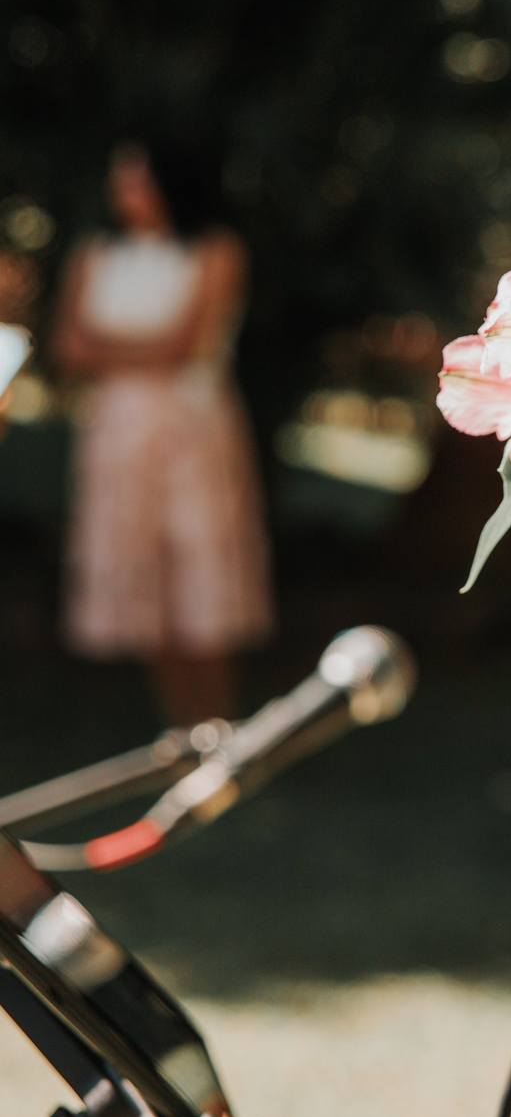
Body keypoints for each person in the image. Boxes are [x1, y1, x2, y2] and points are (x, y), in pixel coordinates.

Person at [53, 137, 273, 726]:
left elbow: (183, 347)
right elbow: (67, 347)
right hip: (117, 432)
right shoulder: (94, 253)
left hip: (191, 431)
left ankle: (218, 726)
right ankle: (180, 732)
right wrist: (139, 352)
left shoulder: (215, 251)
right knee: (144, 580)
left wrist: (107, 350)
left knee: (199, 575)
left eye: (137, 179)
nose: (124, 191)